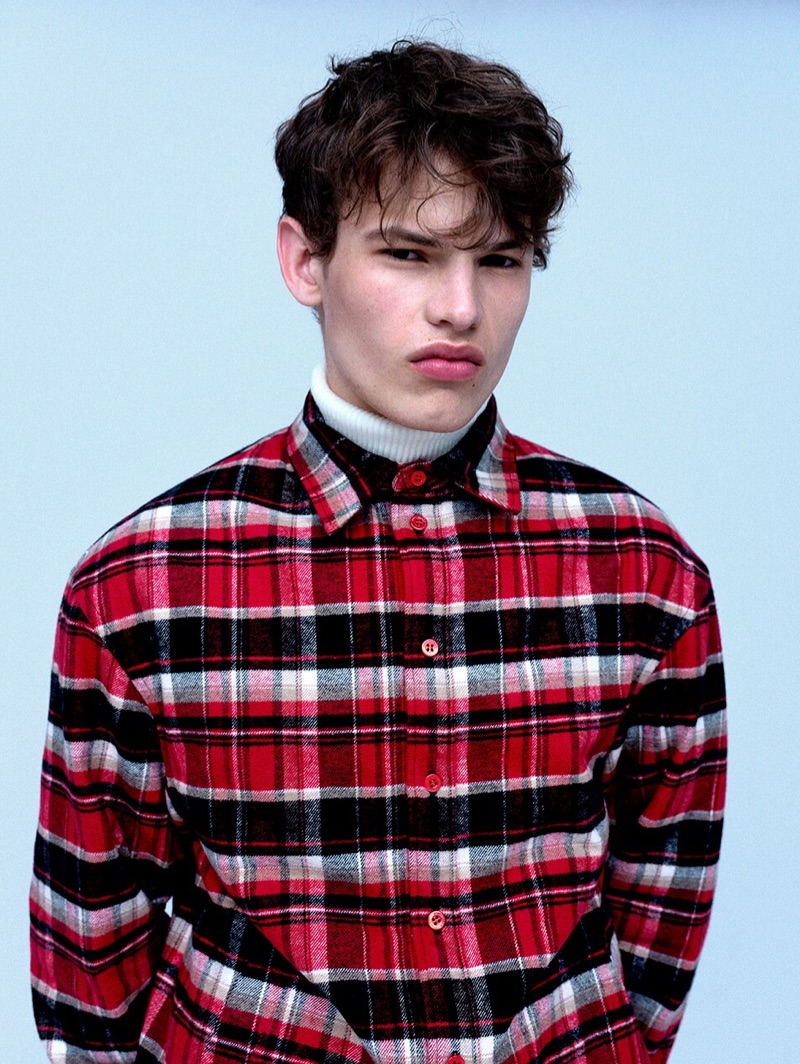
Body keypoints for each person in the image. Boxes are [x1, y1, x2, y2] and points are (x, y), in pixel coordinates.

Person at [30, 40, 726, 1064]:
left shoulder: (641, 565)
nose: (460, 308)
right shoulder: (141, 581)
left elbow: (663, 900)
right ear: (304, 261)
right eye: (408, 254)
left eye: (500, 260)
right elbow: (91, 938)